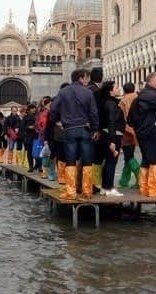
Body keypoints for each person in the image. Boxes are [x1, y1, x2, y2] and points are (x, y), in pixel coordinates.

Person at [50, 69, 99, 199]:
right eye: (86, 78)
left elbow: (53, 109)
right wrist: (95, 129)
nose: (87, 81)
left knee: (70, 160)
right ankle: (87, 191)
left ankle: (71, 191)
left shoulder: (63, 92)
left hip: (69, 129)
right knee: (87, 159)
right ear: (81, 78)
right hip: (85, 129)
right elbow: (94, 113)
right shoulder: (88, 92)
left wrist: (57, 121)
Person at [99, 81, 126, 197]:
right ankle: (109, 187)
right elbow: (111, 122)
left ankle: (105, 187)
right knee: (111, 162)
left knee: (108, 162)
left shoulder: (106, 102)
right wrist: (112, 140)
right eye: (116, 87)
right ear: (111, 91)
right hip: (113, 134)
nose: (118, 89)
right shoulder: (111, 104)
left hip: (107, 134)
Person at [118, 82, 140, 188]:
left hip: (126, 131)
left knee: (129, 155)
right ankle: (124, 180)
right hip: (138, 130)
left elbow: (121, 118)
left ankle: (140, 177)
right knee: (129, 156)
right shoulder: (139, 97)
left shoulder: (122, 101)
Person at [88, 68, 105, 191]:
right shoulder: (97, 92)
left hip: (83, 127)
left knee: (85, 156)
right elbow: (96, 112)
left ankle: (84, 183)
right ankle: (95, 183)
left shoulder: (85, 90)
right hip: (95, 129)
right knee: (97, 156)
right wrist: (97, 129)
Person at [36, 97, 52, 178]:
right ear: (46, 106)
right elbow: (40, 125)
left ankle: (50, 172)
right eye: (49, 105)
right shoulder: (43, 114)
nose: (50, 106)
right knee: (45, 154)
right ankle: (45, 172)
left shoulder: (52, 113)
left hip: (51, 135)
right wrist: (42, 132)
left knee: (51, 154)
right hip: (45, 136)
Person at [22, 104, 38, 172]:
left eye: (34, 108)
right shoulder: (25, 117)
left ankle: (38, 165)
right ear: (29, 110)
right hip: (28, 137)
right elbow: (22, 127)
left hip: (37, 136)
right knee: (29, 152)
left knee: (37, 152)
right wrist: (28, 127)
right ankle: (30, 166)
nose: (34, 109)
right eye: (32, 108)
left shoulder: (37, 116)